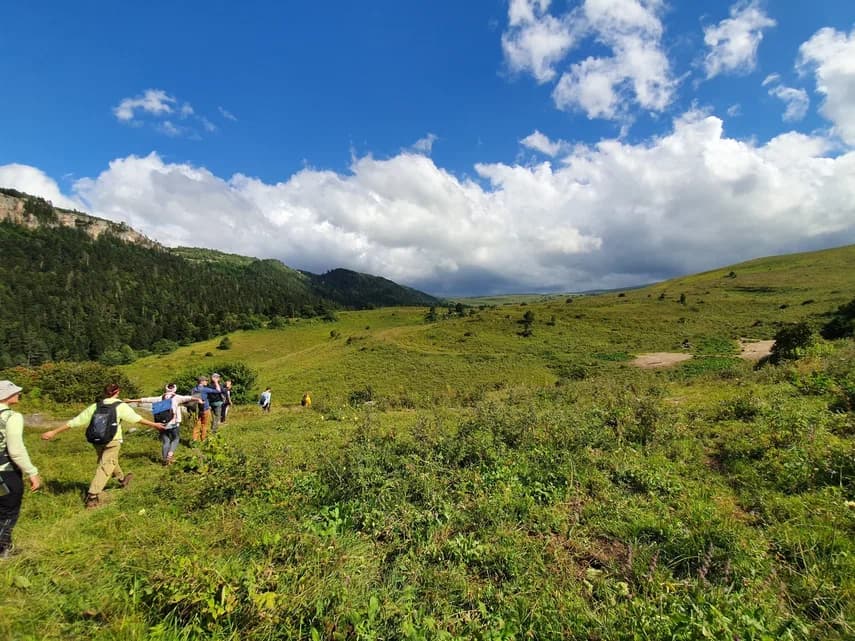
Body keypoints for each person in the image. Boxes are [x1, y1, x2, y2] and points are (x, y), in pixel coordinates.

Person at [41, 383, 165, 508]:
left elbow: (76, 421)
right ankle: (92, 495)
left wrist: (54, 432)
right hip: (113, 440)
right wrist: (155, 425)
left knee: (109, 461)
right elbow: (136, 419)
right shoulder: (120, 406)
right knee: (106, 466)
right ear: (118, 392)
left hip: (97, 440)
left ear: (105, 392)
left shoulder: (96, 406)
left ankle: (122, 480)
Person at [0, 380, 41, 559]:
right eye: (15, 392)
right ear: (5, 396)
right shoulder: (12, 417)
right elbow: (16, 451)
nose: (18, 394)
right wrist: (32, 472)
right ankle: (2, 551)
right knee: (8, 512)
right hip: (5, 473)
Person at [125, 384, 202, 465]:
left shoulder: (159, 398)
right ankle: (170, 454)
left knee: (166, 441)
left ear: (166, 389)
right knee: (176, 438)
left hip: (161, 424)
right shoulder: (177, 397)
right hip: (173, 423)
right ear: (175, 389)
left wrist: (131, 400)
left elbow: (145, 399)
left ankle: (165, 460)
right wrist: (198, 399)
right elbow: (189, 398)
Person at [190, 376, 223, 441]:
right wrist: (216, 382)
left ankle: (194, 439)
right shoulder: (205, 389)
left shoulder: (194, 389)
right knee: (204, 424)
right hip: (205, 409)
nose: (207, 382)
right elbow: (218, 391)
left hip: (196, 410)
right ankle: (203, 439)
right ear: (201, 382)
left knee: (197, 424)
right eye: (206, 380)